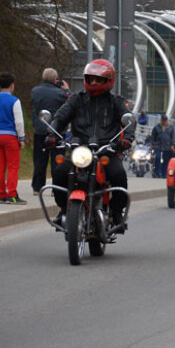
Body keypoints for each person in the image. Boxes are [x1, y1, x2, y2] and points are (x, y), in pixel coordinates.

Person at [46, 59, 134, 229]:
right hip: (79, 149)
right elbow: (60, 117)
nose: (93, 82)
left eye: (98, 79)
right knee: (60, 173)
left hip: (106, 150)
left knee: (118, 175)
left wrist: (126, 139)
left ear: (108, 80)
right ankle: (64, 210)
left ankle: (116, 213)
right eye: (91, 79)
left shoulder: (116, 101)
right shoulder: (76, 99)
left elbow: (129, 120)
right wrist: (52, 133)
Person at [0, 72, 26, 204]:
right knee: (13, 166)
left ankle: (1, 195)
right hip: (10, 137)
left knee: (0, 167)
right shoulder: (15, 101)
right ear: (12, 85)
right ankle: (12, 195)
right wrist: (21, 138)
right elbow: (19, 122)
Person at [30, 68, 70, 195]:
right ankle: (56, 187)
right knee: (57, 160)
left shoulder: (35, 91)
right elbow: (71, 103)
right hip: (57, 132)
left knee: (39, 160)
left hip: (40, 130)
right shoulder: (61, 94)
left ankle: (37, 187)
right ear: (55, 79)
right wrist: (67, 89)